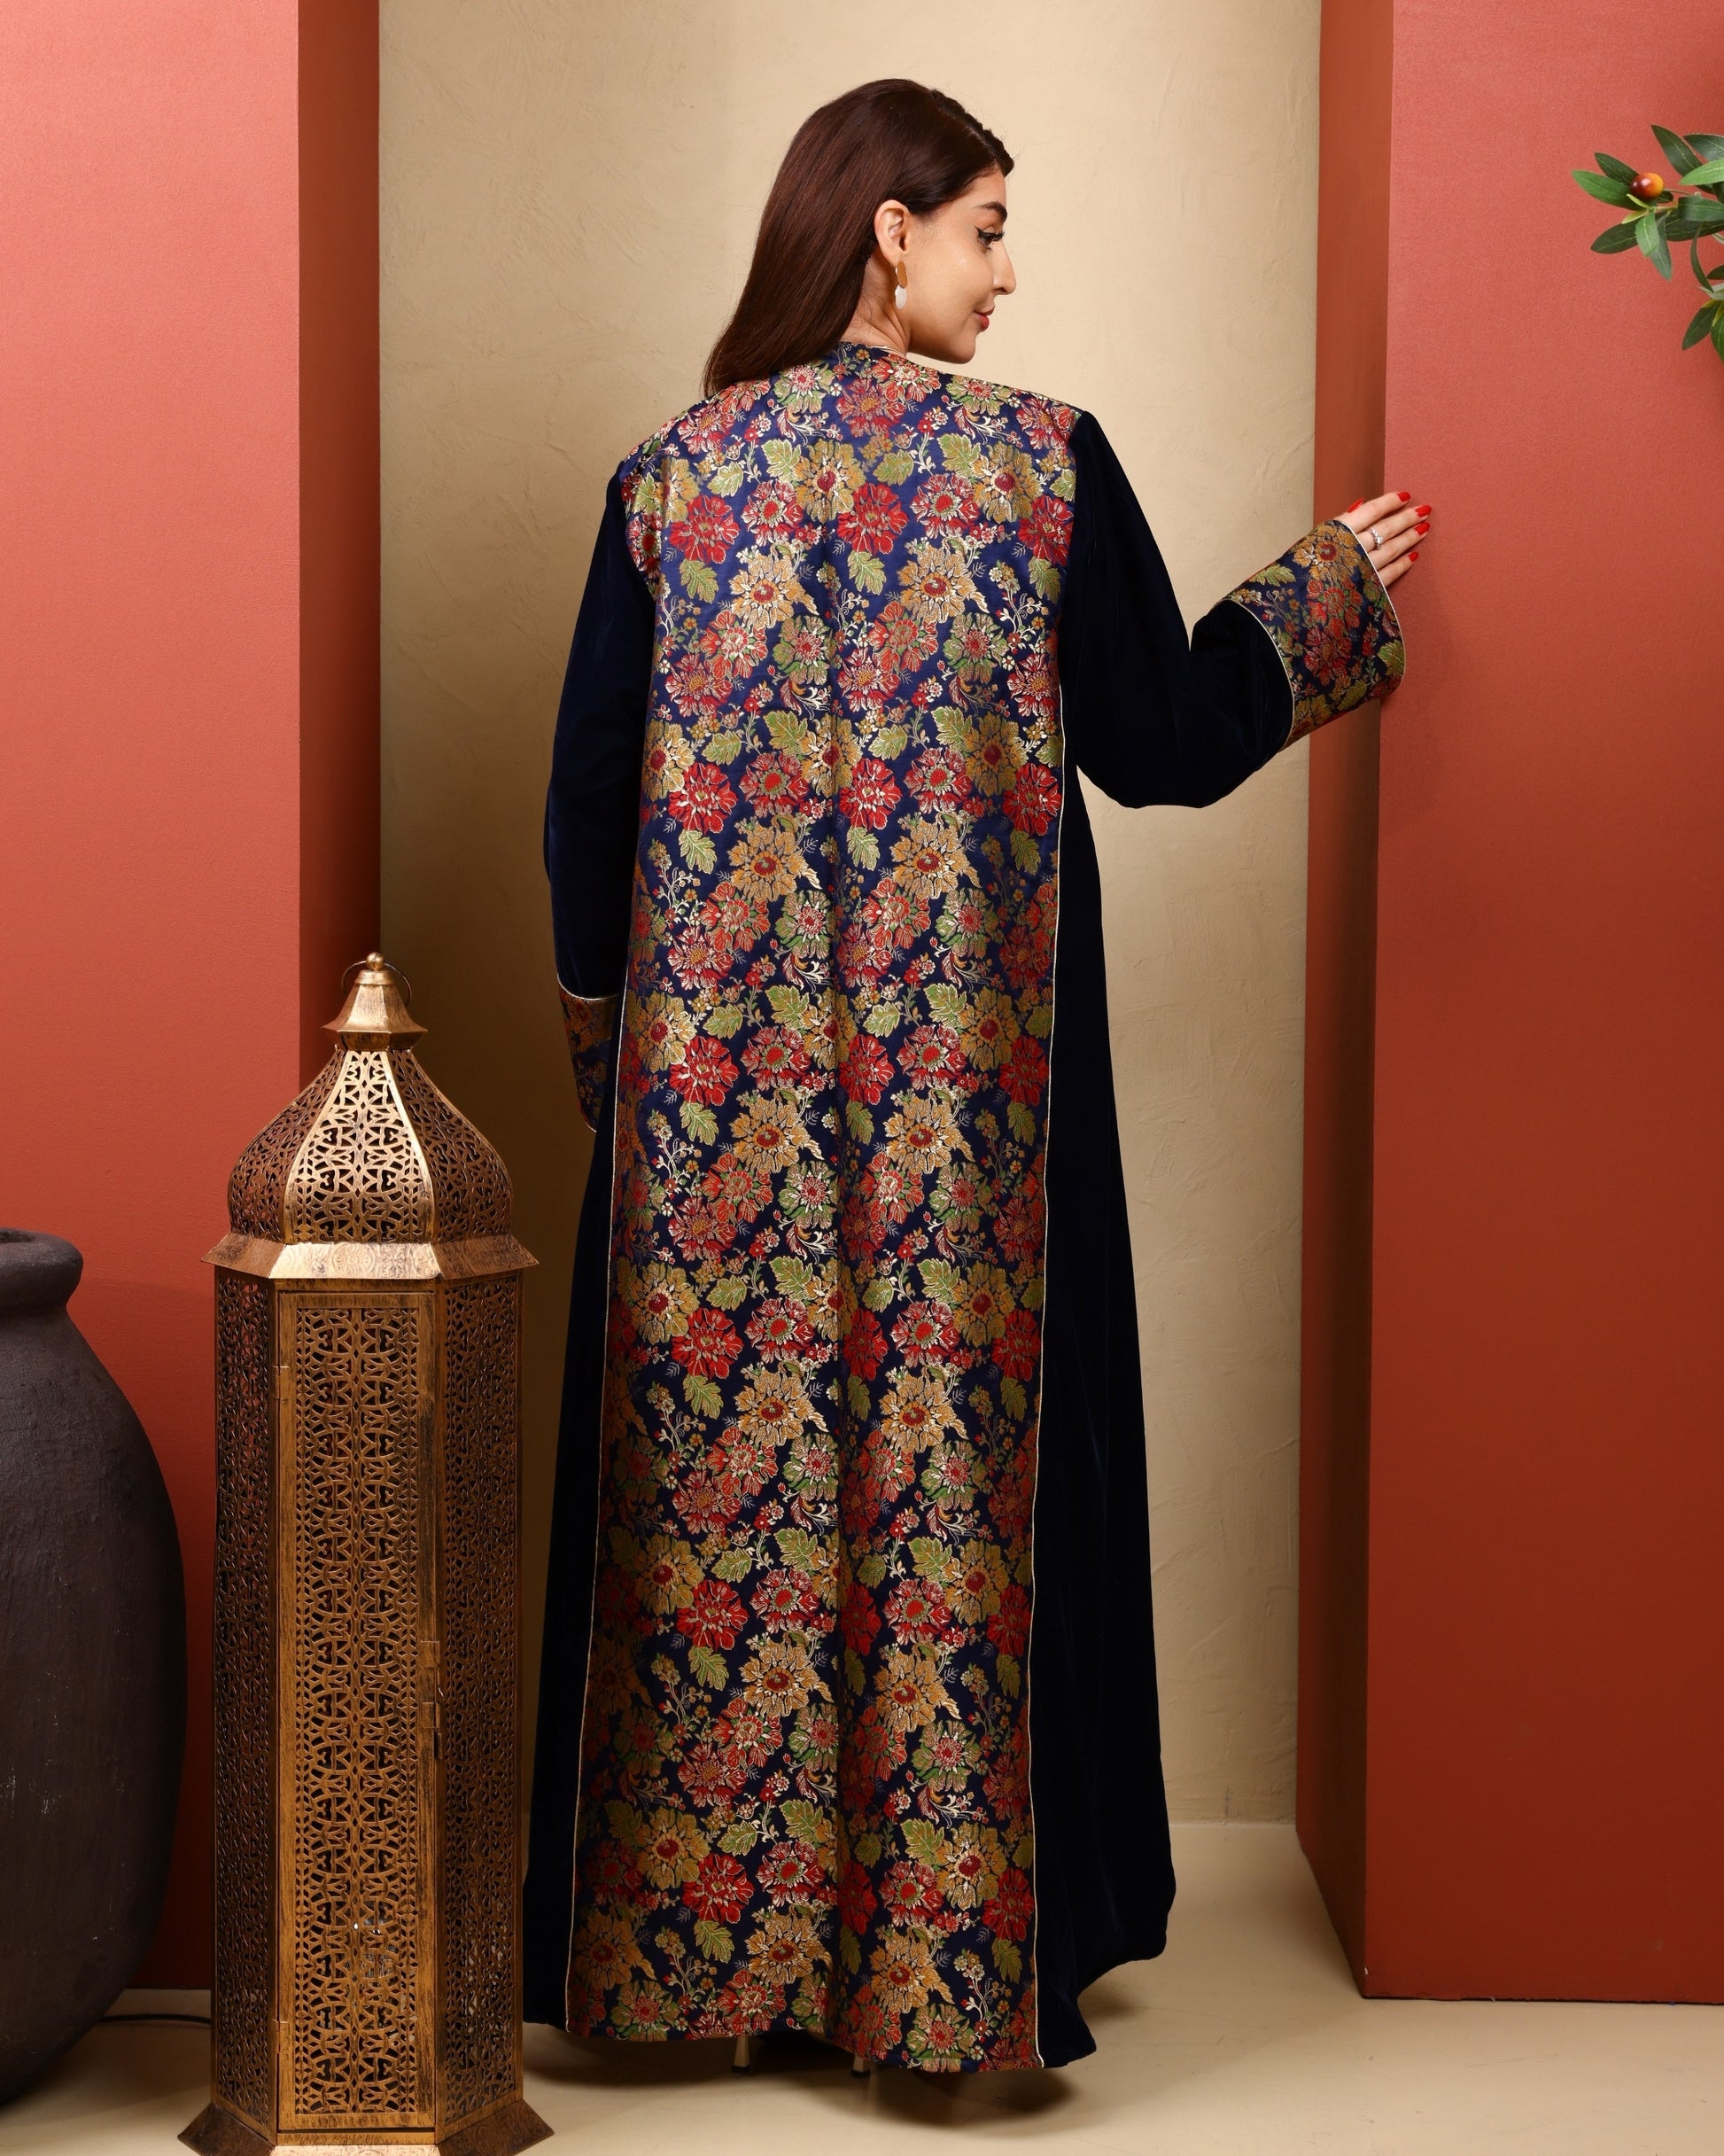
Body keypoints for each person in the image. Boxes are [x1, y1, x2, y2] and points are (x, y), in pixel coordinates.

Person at [524, 76, 1425, 2074]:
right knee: (939, 1492)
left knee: (716, 1513)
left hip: (707, 1135)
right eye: (989, 226)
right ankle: (935, 1991)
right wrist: (1327, 596)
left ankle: (695, 1971)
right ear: (886, 233)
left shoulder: (667, 484)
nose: (1007, 270)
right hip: (964, 1136)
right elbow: (1167, 735)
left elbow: (585, 814)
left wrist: (615, 1062)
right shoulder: (1039, 472)